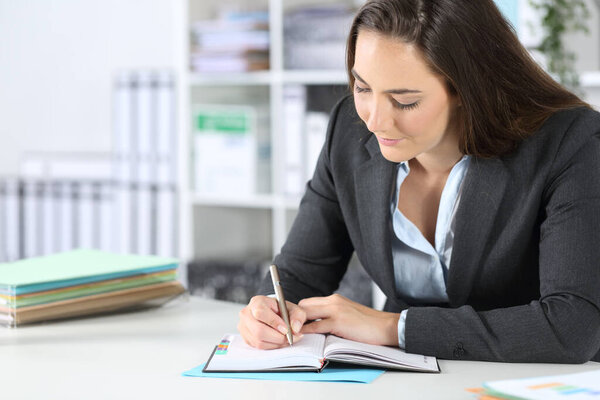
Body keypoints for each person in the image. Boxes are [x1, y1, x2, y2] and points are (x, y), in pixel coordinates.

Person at [237, 0, 600, 363]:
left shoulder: (570, 142)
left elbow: (572, 326)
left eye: (405, 101)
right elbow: (299, 274)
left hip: (529, 381)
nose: (375, 120)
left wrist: (393, 328)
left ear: (466, 88)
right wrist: (268, 312)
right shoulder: (347, 132)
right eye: (363, 88)